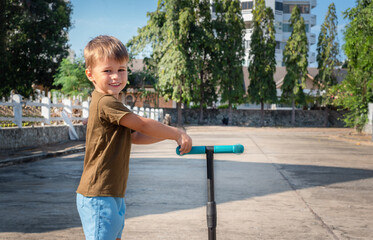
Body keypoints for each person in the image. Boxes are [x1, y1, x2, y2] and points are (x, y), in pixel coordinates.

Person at [76, 35, 192, 240]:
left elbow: (136, 135)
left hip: (112, 192)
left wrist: (167, 137)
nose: (116, 76)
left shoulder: (111, 103)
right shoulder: (105, 102)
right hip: (99, 193)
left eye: (121, 69)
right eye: (107, 70)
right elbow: (141, 123)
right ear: (90, 74)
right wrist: (176, 133)